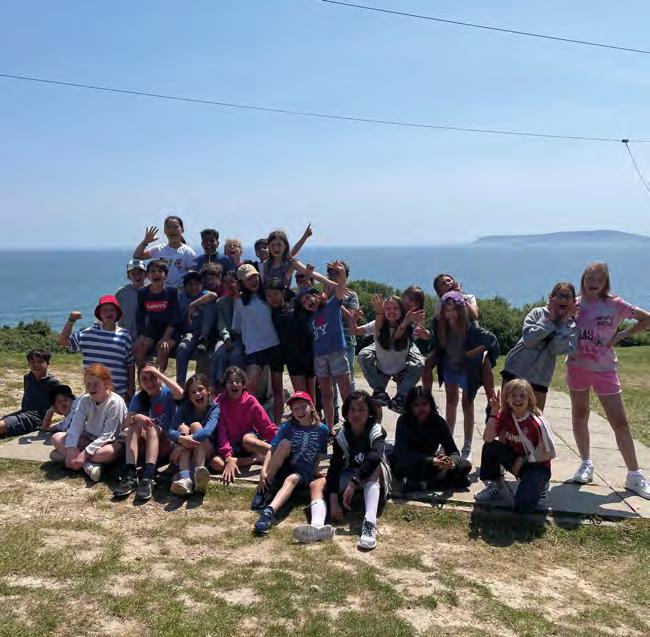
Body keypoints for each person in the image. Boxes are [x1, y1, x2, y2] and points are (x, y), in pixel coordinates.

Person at [567, 262, 650, 498]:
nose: (593, 282)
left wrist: (622, 334)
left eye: (599, 279)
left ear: (606, 282)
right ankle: (586, 464)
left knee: (620, 422)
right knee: (580, 415)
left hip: (605, 370)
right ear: (583, 279)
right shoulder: (575, 304)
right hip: (576, 367)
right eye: (589, 278)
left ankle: (634, 475)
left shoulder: (615, 304)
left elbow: (646, 319)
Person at [431, 291, 499, 462]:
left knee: (467, 404)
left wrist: (475, 355)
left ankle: (467, 446)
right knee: (450, 402)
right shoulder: (441, 326)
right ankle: (447, 444)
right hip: (450, 367)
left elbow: (491, 341)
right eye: (447, 310)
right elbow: (436, 344)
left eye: (454, 310)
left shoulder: (471, 328)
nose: (450, 314)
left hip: (468, 369)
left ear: (461, 310)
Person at [253, 392, 331, 537]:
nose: (300, 411)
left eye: (303, 407)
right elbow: (272, 450)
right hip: (285, 465)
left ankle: (268, 512)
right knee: (284, 443)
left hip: (303, 472)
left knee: (292, 478)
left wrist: (315, 472)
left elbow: (319, 455)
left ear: (311, 406)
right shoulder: (287, 427)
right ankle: (264, 488)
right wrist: (263, 471)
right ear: (292, 412)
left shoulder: (322, 430)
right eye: (296, 409)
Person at [321, 390, 391, 550]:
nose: (356, 414)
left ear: (369, 412)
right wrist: (333, 500)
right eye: (352, 409)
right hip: (352, 475)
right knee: (319, 483)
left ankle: (369, 522)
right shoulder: (342, 434)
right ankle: (317, 523)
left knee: (375, 466)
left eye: (361, 409)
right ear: (346, 411)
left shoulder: (376, 429)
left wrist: (353, 483)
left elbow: (375, 457)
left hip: (371, 478)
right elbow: (334, 466)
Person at [475, 380, 555, 513]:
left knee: (523, 507)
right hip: (515, 459)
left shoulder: (537, 422)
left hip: (537, 466)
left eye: (522, 395)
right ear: (506, 398)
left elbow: (549, 453)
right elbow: (488, 438)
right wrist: (494, 412)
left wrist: (524, 459)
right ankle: (496, 485)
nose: (517, 399)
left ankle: (541, 486)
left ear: (529, 398)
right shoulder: (505, 416)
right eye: (513, 395)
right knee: (490, 447)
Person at [296, 261, 352, 432]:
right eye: (304, 301)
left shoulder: (332, 306)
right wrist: (306, 276)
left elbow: (340, 289)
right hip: (319, 357)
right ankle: (330, 428)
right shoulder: (308, 319)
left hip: (337, 352)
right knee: (327, 394)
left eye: (309, 298)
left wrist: (341, 274)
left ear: (317, 296)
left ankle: (351, 424)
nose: (307, 302)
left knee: (345, 390)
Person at [502, 282, 578, 410]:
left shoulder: (572, 326)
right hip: (515, 369)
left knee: (535, 417)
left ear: (574, 302)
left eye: (568, 296)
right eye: (560, 295)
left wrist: (563, 321)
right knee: (506, 414)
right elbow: (529, 340)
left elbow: (555, 349)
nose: (564, 299)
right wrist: (550, 319)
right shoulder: (537, 313)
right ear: (551, 298)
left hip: (540, 377)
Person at [112, 366, 184, 501]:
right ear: (139, 381)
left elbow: (180, 393)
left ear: (159, 378)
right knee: (134, 425)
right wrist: (136, 417)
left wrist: (158, 373)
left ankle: (149, 476)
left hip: (167, 443)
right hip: (147, 446)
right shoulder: (138, 397)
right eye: (144, 379)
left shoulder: (167, 393)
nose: (149, 382)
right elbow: (126, 422)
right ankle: (130, 473)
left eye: (153, 377)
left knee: (151, 427)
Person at [50, 364, 127, 482]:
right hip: (90, 438)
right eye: (88, 384)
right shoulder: (85, 400)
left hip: (110, 443)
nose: (91, 388)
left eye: (96, 384)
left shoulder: (115, 403)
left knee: (106, 453)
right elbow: (76, 426)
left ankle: (69, 457)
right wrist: (71, 448)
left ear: (106, 384)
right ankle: (88, 466)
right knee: (56, 437)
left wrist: (85, 453)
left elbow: (108, 435)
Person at [352, 294, 425, 414]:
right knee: (363, 355)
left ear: (401, 310)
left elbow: (397, 338)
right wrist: (353, 319)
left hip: (401, 370)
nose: (391, 311)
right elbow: (355, 331)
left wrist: (425, 334)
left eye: (395, 308)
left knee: (420, 364)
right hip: (382, 369)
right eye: (388, 308)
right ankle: (379, 392)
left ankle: (400, 397)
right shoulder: (376, 324)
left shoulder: (409, 325)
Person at [393, 386, 471, 490]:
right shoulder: (403, 421)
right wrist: (431, 461)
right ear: (410, 407)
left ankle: (425, 484)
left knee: (464, 466)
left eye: (424, 404)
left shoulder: (438, 422)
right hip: (412, 462)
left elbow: (453, 450)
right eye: (416, 405)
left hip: (431, 463)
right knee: (402, 465)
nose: (421, 408)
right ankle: (432, 483)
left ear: (430, 404)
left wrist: (451, 462)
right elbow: (403, 452)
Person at [58, 295, 135, 400]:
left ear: (117, 313)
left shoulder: (124, 335)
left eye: (112, 310)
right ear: (99, 313)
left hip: (118, 393)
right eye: (105, 310)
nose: (109, 313)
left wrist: (131, 387)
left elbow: (130, 364)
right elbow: (63, 342)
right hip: (93, 393)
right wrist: (71, 321)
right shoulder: (87, 334)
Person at [211, 366, 278, 483]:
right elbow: (221, 433)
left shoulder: (250, 401)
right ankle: (255, 458)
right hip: (229, 445)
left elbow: (266, 427)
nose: (234, 384)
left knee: (247, 439)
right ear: (225, 385)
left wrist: (280, 441)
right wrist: (228, 457)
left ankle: (279, 454)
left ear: (243, 384)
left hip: (247, 441)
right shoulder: (219, 402)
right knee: (216, 464)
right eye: (230, 381)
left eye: (238, 381)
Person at [265, 278, 316, 419]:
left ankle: (312, 422)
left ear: (283, 293)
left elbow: (310, 299)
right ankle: (277, 425)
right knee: (295, 394)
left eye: (275, 294)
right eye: (268, 295)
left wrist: (308, 277)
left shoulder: (295, 303)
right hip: (279, 353)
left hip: (303, 353)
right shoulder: (267, 311)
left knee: (309, 394)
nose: (272, 298)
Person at [232, 263, 281, 398]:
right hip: (253, 349)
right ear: (242, 283)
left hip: (274, 345)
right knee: (250, 386)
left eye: (255, 277)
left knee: (277, 388)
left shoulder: (267, 295)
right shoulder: (239, 302)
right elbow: (237, 327)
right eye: (248, 279)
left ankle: (276, 413)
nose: (253, 281)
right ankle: (247, 411)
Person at [168, 374, 220, 496]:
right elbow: (169, 430)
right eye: (193, 392)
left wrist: (184, 443)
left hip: (207, 450)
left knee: (196, 426)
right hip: (188, 453)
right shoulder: (185, 407)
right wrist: (181, 438)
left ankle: (198, 474)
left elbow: (207, 431)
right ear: (189, 396)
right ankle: (186, 478)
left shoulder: (214, 408)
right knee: (183, 428)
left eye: (200, 389)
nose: (197, 394)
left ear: (208, 391)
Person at [0, 349, 61, 438]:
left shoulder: (53, 383)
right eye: (32, 362)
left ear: (48, 363)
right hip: (23, 413)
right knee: (3, 421)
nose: (36, 365)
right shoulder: (28, 378)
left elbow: (69, 400)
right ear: (28, 364)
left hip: (36, 419)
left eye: (40, 362)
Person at [134, 259, 180, 373]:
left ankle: (158, 378)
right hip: (152, 330)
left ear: (166, 275)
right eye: (153, 271)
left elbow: (175, 317)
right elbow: (140, 316)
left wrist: (165, 338)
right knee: (139, 349)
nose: (156, 274)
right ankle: (144, 377)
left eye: (160, 271)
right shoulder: (142, 292)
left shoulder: (172, 291)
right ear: (148, 275)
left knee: (163, 348)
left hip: (170, 331)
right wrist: (140, 336)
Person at [133, 216, 197, 287]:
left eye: (175, 227)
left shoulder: (189, 252)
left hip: (179, 291)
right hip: (160, 290)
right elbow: (137, 256)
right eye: (168, 227)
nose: (172, 230)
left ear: (182, 229)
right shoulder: (159, 249)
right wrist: (145, 242)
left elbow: (192, 276)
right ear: (164, 231)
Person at [175, 271, 211, 385]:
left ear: (202, 285)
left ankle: (204, 386)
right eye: (190, 284)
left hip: (206, 333)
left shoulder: (205, 293)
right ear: (185, 286)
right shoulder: (181, 297)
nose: (194, 287)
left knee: (204, 355)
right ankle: (180, 385)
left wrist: (193, 304)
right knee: (182, 348)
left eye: (197, 284)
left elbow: (213, 296)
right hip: (189, 333)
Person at [211, 271, 245, 387]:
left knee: (235, 355)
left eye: (231, 281)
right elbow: (222, 323)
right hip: (227, 337)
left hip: (242, 338)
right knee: (218, 353)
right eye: (225, 282)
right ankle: (217, 387)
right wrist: (226, 338)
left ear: (238, 283)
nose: (228, 285)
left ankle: (236, 386)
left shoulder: (245, 300)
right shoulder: (221, 302)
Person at [116, 259, 148, 339]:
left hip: (146, 338)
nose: (137, 275)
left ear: (146, 274)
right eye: (133, 273)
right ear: (128, 276)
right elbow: (112, 311)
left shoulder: (153, 292)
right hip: (124, 337)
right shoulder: (121, 292)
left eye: (140, 272)